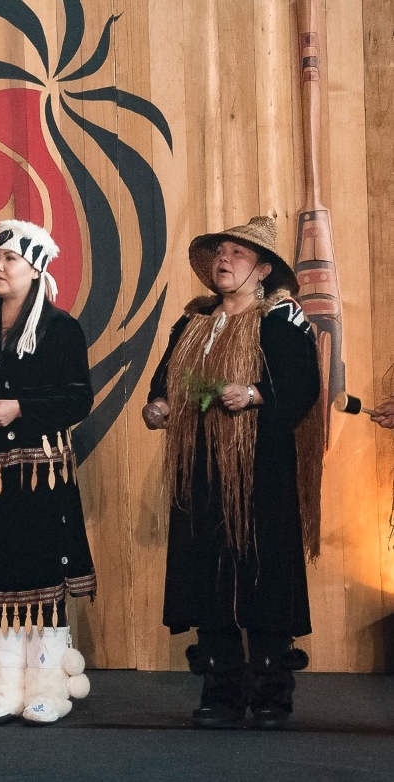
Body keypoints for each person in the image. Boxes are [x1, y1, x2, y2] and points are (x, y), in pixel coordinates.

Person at [143, 215, 322, 729]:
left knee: (262, 571)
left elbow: (303, 384)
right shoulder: (191, 323)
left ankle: (270, 689)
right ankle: (220, 688)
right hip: (199, 472)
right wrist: (157, 406)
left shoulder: (281, 321)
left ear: (263, 269)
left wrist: (257, 393)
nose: (224, 260)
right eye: (219, 253)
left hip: (259, 471)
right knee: (208, 573)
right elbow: (163, 383)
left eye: (238, 254)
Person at [0, 220, 95, 726]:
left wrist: (21, 407)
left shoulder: (61, 329)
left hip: (37, 472)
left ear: (36, 269)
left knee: (40, 573)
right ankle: (2, 686)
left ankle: (46, 685)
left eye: (9, 259)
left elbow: (77, 398)